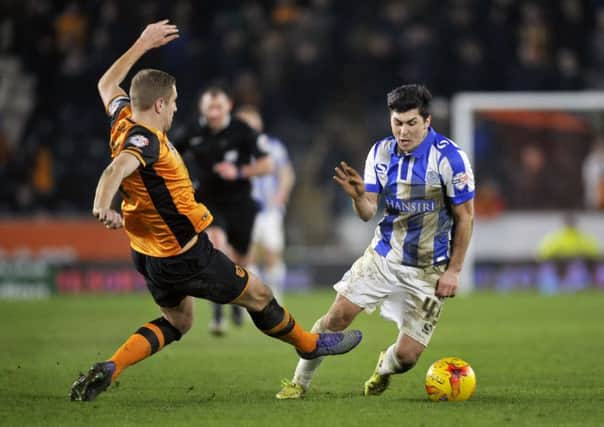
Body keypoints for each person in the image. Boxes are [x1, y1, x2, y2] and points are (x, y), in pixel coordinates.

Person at [70, 20, 362, 402]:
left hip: (147, 253)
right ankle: (309, 344)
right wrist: (100, 205)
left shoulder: (123, 119)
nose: (176, 107)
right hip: (185, 255)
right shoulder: (145, 141)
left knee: (179, 321)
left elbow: (107, 84)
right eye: (173, 101)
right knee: (258, 294)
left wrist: (141, 43)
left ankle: (113, 366)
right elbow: (116, 169)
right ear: (159, 104)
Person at [276, 84, 475, 399]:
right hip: (384, 257)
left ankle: (384, 367)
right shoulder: (381, 152)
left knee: (407, 358)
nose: (403, 131)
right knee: (337, 317)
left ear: (427, 121)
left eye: (411, 123)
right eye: (397, 122)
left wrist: (454, 271)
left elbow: (465, 216)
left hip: (428, 269)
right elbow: (368, 211)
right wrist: (358, 198)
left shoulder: (451, 159)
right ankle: (298, 382)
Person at [174, 84, 271, 336]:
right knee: (217, 247)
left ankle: (238, 304)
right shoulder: (192, 131)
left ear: (228, 106)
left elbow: (266, 164)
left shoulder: (243, 131)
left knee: (242, 259)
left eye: (218, 107)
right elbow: (169, 154)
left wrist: (238, 172)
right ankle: (218, 316)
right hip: (208, 203)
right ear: (202, 109)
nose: (214, 112)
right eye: (209, 108)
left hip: (240, 202)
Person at [236, 105, 295, 302]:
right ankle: (252, 300)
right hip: (244, 211)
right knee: (247, 256)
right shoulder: (234, 149)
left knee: (272, 254)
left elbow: (286, 173)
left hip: (269, 210)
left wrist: (281, 194)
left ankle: (275, 298)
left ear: (259, 124)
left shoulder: (273, 146)